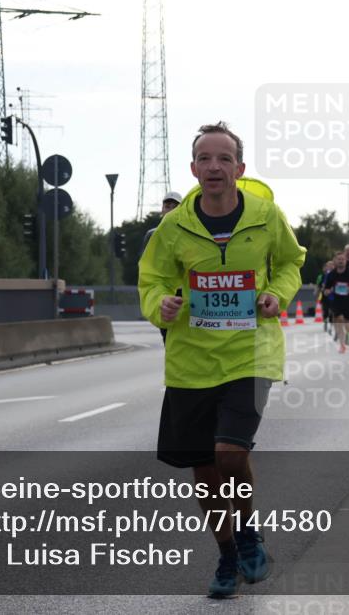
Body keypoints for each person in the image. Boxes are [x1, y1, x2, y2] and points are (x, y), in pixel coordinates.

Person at [138, 122, 306, 599]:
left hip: (251, 352)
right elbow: (151, 279)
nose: (214, 166)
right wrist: (160, 306)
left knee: (230, 452)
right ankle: (228, 554)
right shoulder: (173, 228)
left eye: (224, 158)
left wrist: (276, 294)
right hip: (191, 358)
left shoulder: (267, 215)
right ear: (194, 169)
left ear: (240, 168)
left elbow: (293, 261)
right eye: (205, 159)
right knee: (206, 468)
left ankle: (249, 531)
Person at [140, 191, 183, 344]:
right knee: (168, 335)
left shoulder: (189, 233)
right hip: (163, 292)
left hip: (184, 292)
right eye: (167, 205)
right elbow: (145, 264)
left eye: (175, 205)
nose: (170, 209)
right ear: (162, 209)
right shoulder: (152, 235)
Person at [322, 250, 349, 353]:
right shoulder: (332, 275)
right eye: (339, 259)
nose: (341, 261)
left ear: (346, 261)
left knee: (348, 324)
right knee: (337, 320)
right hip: (336, 301)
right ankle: (342, 345)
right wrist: (327, 291)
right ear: (335, 261)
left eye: (343, 259)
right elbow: (326, 289)